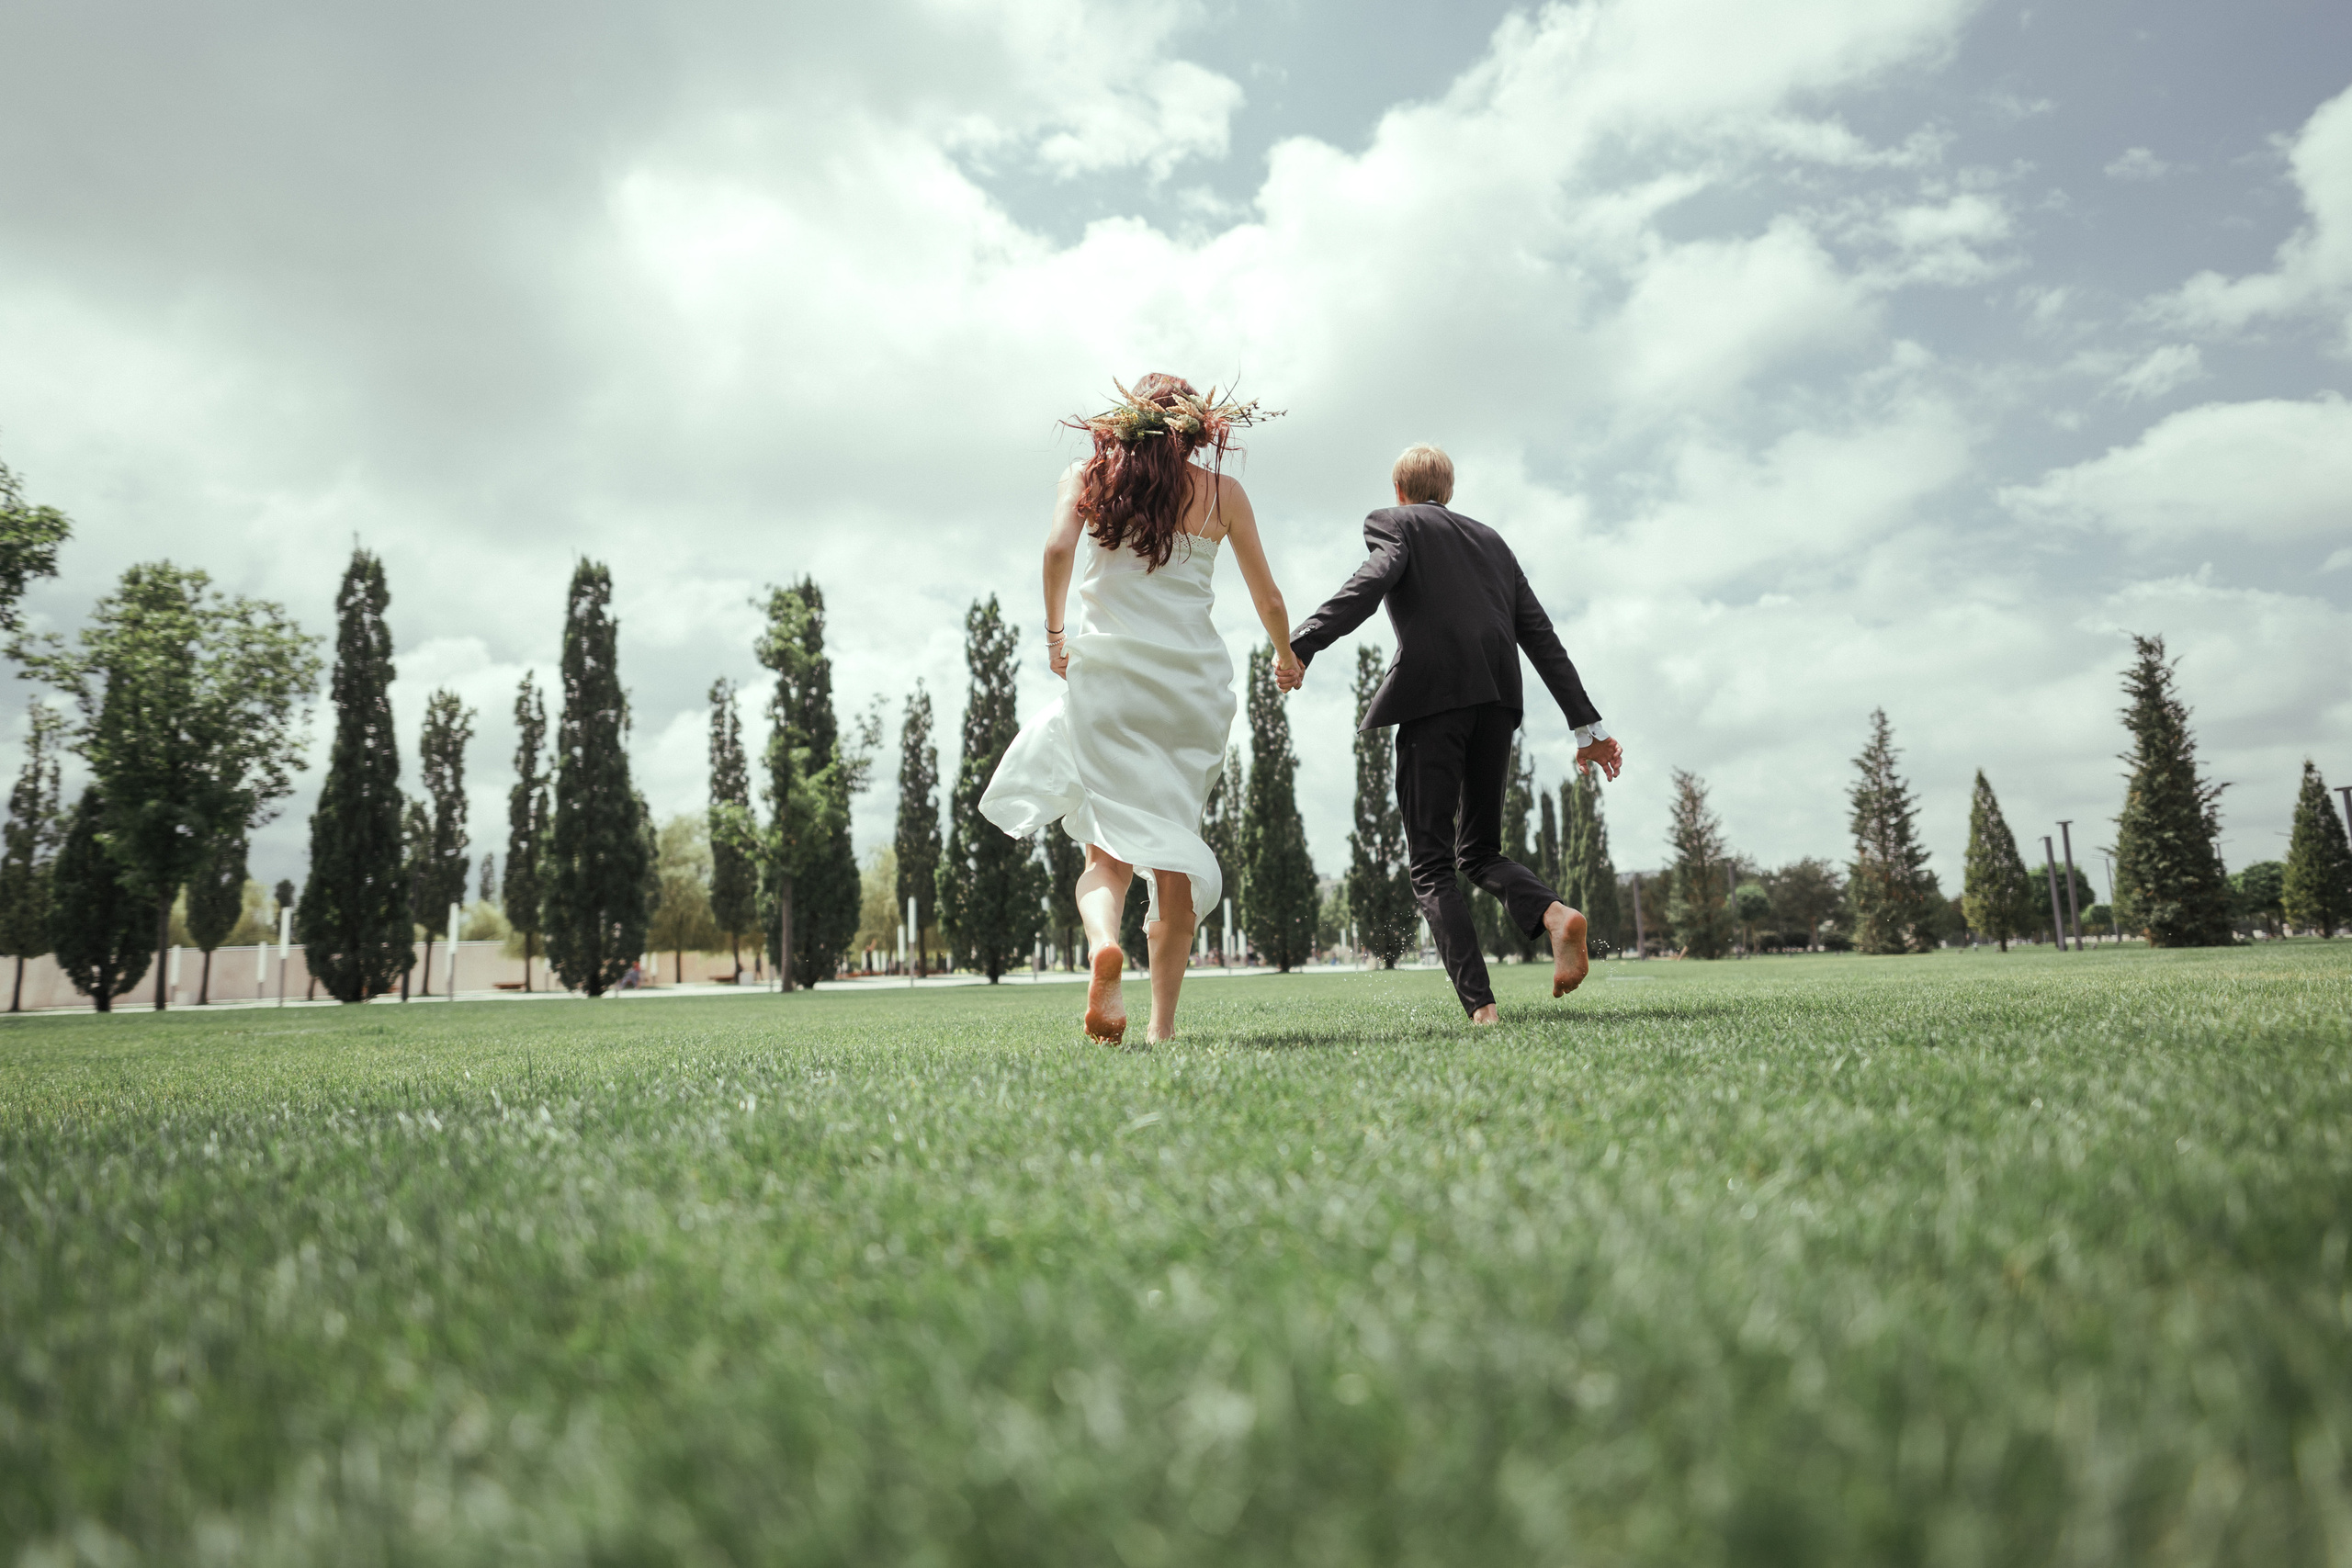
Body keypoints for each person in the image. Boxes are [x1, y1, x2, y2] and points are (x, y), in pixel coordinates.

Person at [981, 375, 1295, 1045]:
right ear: (1195, 427)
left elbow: (1057, 550)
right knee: (1172, 851)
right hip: (1189, 691)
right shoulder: (1222, 493)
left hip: (1110, 681)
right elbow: (1267, 597)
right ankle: (1161, 1026)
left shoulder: (1089, 477)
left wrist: (1055, 633)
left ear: (1125, 421)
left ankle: (1103, 944)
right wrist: (1286, 654)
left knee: (1107, 847)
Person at [1281, 444, 1623, 1024]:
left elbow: (1373, 580)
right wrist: (1587, 726)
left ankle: (1482, 1009)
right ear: (1450, 491)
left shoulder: (1393, 522)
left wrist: (1303, 642)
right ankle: (1554, 914)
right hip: (1498, 701)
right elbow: (1541, 635)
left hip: (1434, 698)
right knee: (1481, 851)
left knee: (1433, 866)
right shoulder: (1492, 541)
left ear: (1399, 492)